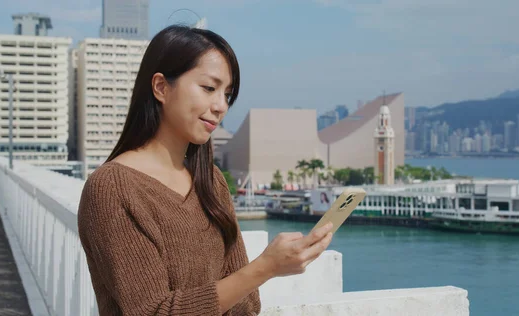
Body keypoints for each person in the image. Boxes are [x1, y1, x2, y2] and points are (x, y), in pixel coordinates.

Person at [77, 25, 334, 316]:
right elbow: (152, 312)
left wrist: (261, 271)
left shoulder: (210, 181)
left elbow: (247, 305)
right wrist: (266, 267)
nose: (221, 106)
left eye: (227, 94)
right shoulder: (112, 188)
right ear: (161, 87)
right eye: (209, 88)